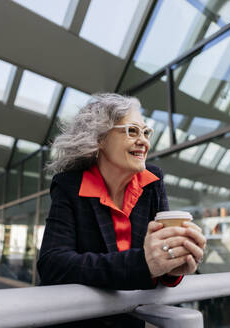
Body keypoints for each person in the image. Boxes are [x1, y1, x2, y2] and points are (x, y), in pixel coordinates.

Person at [37, 93, 206, 327]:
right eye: (132, 131)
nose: (144, 141)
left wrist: (173, 265)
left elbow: (160, 259)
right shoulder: (69, 185)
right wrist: (143, 262)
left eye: (146, 132)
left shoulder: (152, 181)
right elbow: (52, 264)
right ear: (100, 138)